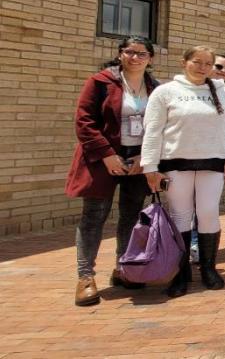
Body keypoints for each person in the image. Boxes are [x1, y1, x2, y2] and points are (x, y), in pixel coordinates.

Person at [142, 46, 225, 297]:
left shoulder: (222, 92)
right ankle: (181, 272)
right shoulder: (165, 92)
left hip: (212, 164)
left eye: (208, 64)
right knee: (180, 215)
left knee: (208, 213)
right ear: (184, 62)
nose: (203, 68)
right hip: (176, 164)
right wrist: (150, 167)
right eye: (197, 62)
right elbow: (153, 130)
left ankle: (208, 268)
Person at [67, 37, 160, 306]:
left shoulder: (155, 88)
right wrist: (107, 155)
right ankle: (85, 277)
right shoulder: (99, 82)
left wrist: (146, 156)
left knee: (131, 215)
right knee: (93, 217)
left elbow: (161, 125)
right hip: (102, 159)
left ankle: (124, 268)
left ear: (150, 58)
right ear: (120, 54)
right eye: (129, 52)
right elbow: (84, 122)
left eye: (142, 53)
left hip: (138, 161)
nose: (135, 57)